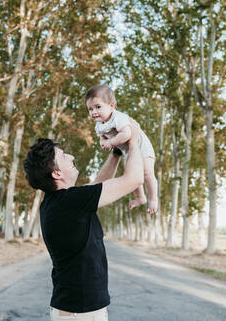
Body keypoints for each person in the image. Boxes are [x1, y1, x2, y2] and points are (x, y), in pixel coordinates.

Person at [23, 122, 144, 321]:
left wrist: (116, 152)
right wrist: (133, 141)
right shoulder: (69, 202)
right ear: (57, 174)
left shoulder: (59, 202)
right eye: (63, 156)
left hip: (75, 310)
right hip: (80, 313)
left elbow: (98, 185)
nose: (71, 157)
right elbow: (134, 179)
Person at [85, 84, 158, 214]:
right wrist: (104, 142)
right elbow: (101, 136)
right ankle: (140, 197)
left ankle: (153, 199)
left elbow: (127, 134)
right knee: (131, 173)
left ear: (111, 106)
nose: (94, 112)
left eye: (98, 107)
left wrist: (111, 142)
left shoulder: (117, 118)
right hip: (128, 150)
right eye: (90, 109)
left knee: (147, 172)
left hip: (142, 147)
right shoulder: (98, 124)